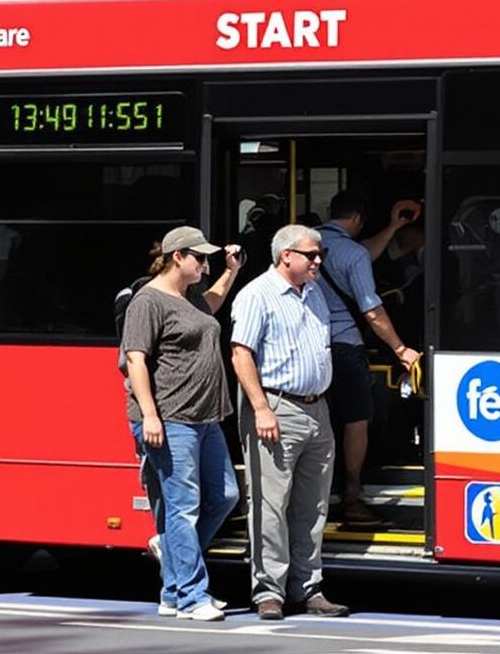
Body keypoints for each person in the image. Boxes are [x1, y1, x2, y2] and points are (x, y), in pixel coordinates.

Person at [122, 227, 246, 619]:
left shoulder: (190, 297)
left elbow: (210, 305)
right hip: (172, 418)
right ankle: (193, 596)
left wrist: (232, 271)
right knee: (183, 507)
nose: (206, 266)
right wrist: (150, 415)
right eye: (201, 259)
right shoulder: (148, 301)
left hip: (205, 417)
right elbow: (135, 360)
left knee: (225, 495)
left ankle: (173, 584)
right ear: (178, 257)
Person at [228, 224, 349, 621]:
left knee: (312, 506)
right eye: (312, 255)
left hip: (317, 409)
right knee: (270, 505)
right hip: (277, 408)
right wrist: (261, 409)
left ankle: (308, 587)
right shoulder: (256, 295)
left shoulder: (314, 293)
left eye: (320, 255)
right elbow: (241, 354)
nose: (319, 261)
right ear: (287, 256)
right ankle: (269, 591)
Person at [317, 192, 421, 530]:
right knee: (356, 420)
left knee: (320, 418)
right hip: (346, 346)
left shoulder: (307, 245)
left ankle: (318, 493)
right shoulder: (354, 253)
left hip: (312, 348)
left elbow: (364, 254)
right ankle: (352, 494)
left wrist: (392, 227)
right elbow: (372, 309)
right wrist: (401, 348)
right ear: (359, 220)